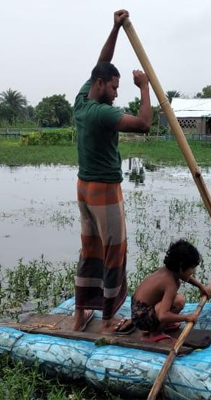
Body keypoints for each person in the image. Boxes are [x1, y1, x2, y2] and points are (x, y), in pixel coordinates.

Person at [72, 9, 153, 333]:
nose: (118, 93)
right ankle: (106, 319)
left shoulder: (81, 100)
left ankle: (81, 314)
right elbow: (145, 124)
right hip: (104, 189)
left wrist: (115, 28)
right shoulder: (101, 113)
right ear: (101, 85)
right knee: (114, 253)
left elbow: (100, 62)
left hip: (83, 187)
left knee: (90, 250)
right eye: (115, 87)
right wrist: (144, 87)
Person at [130, 240, 211, 343]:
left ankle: (160, 325)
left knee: (176, 300)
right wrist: (186, 317)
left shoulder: (168, 271)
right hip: (141, 318)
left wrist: (200, 286)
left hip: (139, 311)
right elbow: (163, 315)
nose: (193, 272)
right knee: (178, 301)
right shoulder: (170, 284)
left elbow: (186, 276)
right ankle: (155, 333)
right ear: (181, 267)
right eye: (191, 268)